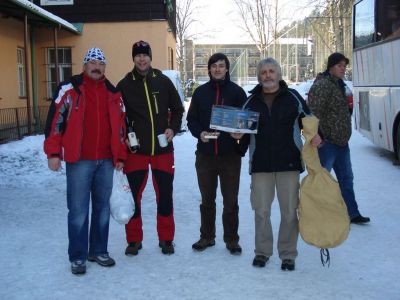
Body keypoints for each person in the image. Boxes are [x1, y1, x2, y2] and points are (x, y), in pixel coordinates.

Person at [44, 47, 127, 275]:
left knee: (101, 209)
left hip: (106, 161)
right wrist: (53, 153)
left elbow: (121, 128)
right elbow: (54, 122)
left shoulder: (113, 93)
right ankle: (78, 256)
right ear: (84, 66)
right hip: (79, 161)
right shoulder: (69, 90)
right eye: (92, 63)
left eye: (101, 64)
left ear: (105, 68)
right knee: (78, 210)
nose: (96, 67)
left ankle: (98, 250)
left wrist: (120, 156)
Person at [241, 58, 321, 270]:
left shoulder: (292, 97)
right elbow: (239, 128)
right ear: (259, 76)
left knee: (289, 212)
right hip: (260, 165)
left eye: (271, 71)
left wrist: (315, 135)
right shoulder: (251, 101)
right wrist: (236, 134)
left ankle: (288, 254)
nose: (268, 75)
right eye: (264, 72)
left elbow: (309, 119)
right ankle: (262, 252)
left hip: (289, 163)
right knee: (261, 211)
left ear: (279, 74)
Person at [117, 40, 184, 255]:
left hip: (163, 151)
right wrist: (124, 137)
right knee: (133, 197)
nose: (142, 59)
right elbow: (118, 117)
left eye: (145, 55)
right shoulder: (125, 84)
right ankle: (134, 240)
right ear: (133, 58)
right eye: (138, 55)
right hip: (136, 152)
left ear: (150, 57)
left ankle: (166, 239)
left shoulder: (162, 81)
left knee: (165, 195)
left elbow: (177, 108)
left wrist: (173, 128)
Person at [187, 53, 247, 255]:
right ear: (209, 70)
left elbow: (245, 124)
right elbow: (191, 120)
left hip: (229, 156)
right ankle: (207, 236)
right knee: (207, 199)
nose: (218, 69)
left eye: (221, 66)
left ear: (227, 68)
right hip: (205, 155)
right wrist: (200, 133)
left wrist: (238, 136)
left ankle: (232, 239)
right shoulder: (201, 93)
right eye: (214, 66)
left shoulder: (237, 93)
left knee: (230, 200)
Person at [307, 52, 370, 225]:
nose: (343, 69)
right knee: (320, 181)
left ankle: (352, 213)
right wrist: (317, 136)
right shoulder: (322, 86)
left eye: (344, 66)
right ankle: (314, 214)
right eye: (340, 65)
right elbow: (312, 113)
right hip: (327, 144)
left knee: (346, 179)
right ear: (331, 67)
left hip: (342, 144)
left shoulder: (339, 84)